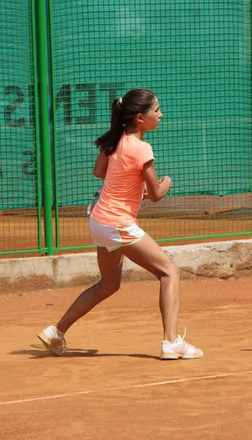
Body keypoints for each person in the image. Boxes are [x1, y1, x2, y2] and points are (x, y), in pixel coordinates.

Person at [37, 88, 203, 360]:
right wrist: (168, 181)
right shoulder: (142, 148)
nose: (161, 114)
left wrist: (136, 187)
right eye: (156, 110)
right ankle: (171, 342)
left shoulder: (115, 141)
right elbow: (157, 196)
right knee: (169, 272)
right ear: (140, 117)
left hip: (100, 222)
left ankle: (57, 332)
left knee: (109, 285)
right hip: (118, 223)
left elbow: (100, 172)